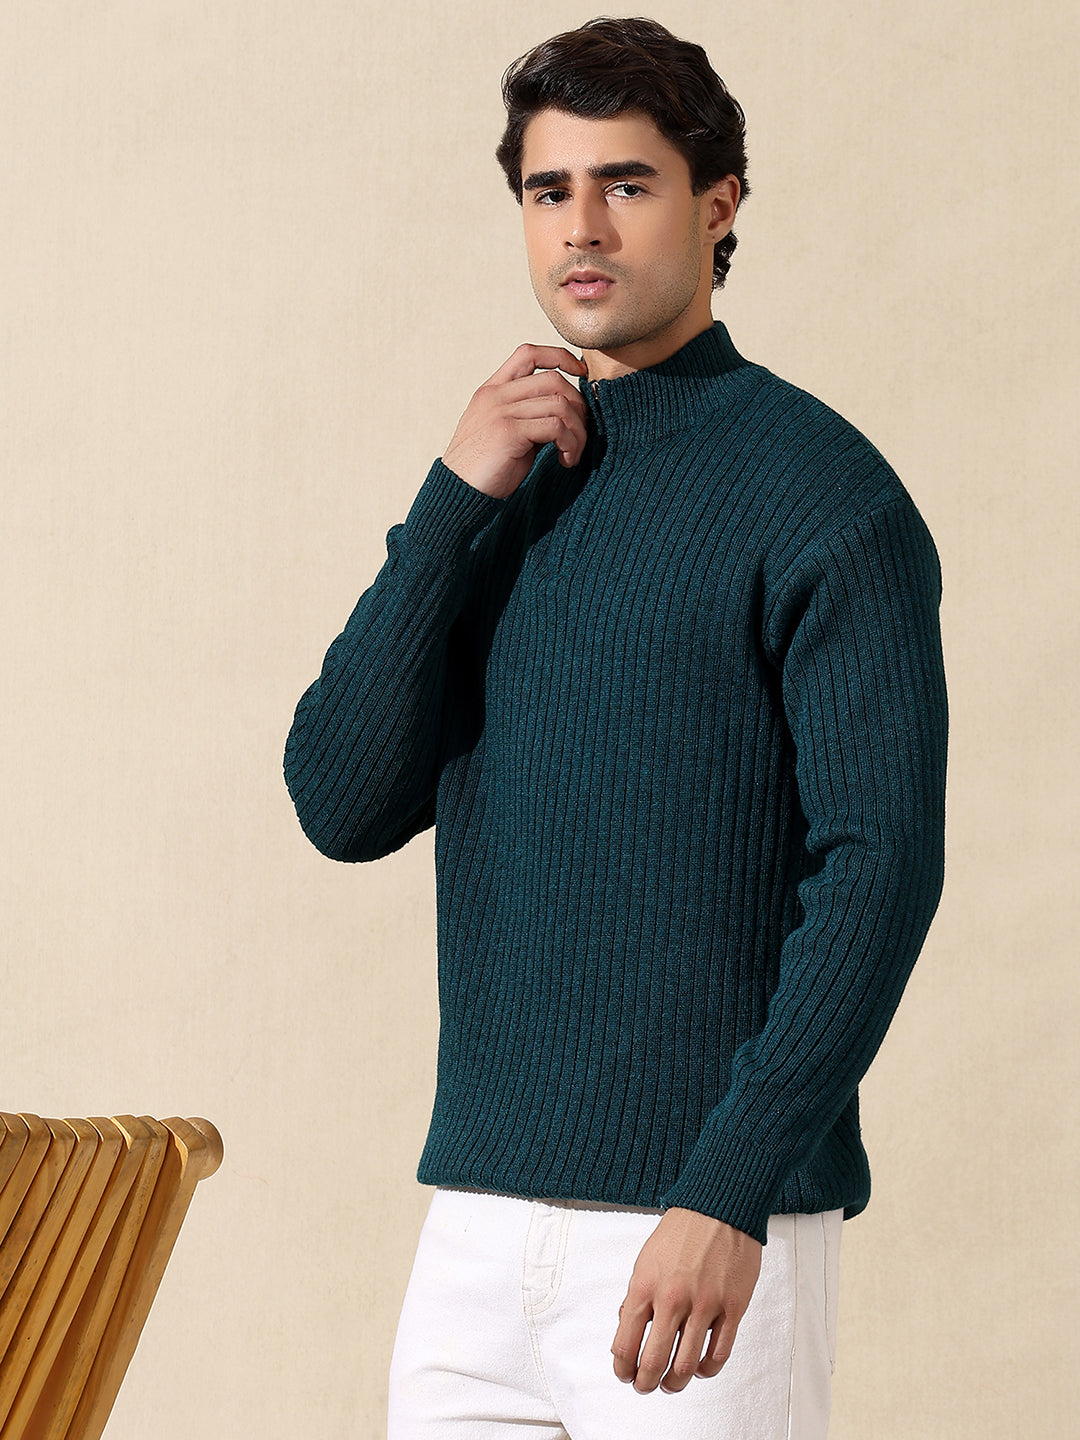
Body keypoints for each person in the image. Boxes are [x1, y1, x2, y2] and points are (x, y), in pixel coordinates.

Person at [283, 16, 947, 1439]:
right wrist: (452, 501)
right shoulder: (508, 481)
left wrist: (732, 1188)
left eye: (627, 184)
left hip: (697, 1227)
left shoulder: (825, 495)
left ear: (719, 204)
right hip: (476, 1229)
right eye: (549, 189)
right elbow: (339, 801)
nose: (581, 227)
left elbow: (880, 868)